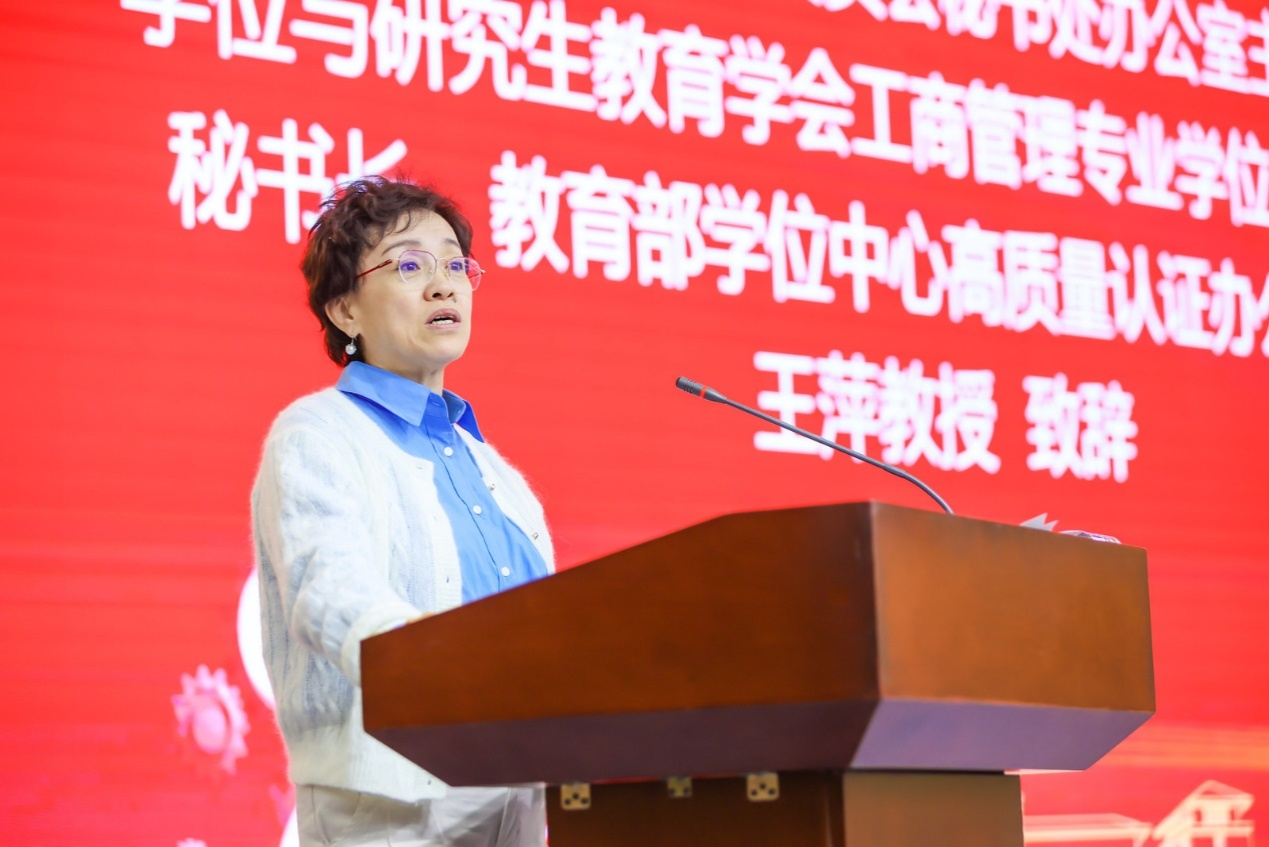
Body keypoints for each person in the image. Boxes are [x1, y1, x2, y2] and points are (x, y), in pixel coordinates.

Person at [251, 176, 554, 847]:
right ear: (344, 310)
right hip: (389, 804)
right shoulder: (318, 433)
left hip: (523, 792)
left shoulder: (498, 475)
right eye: (410, 266)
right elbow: (330, 595)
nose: (444, 286)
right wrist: (452, 675)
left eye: (455, 265)